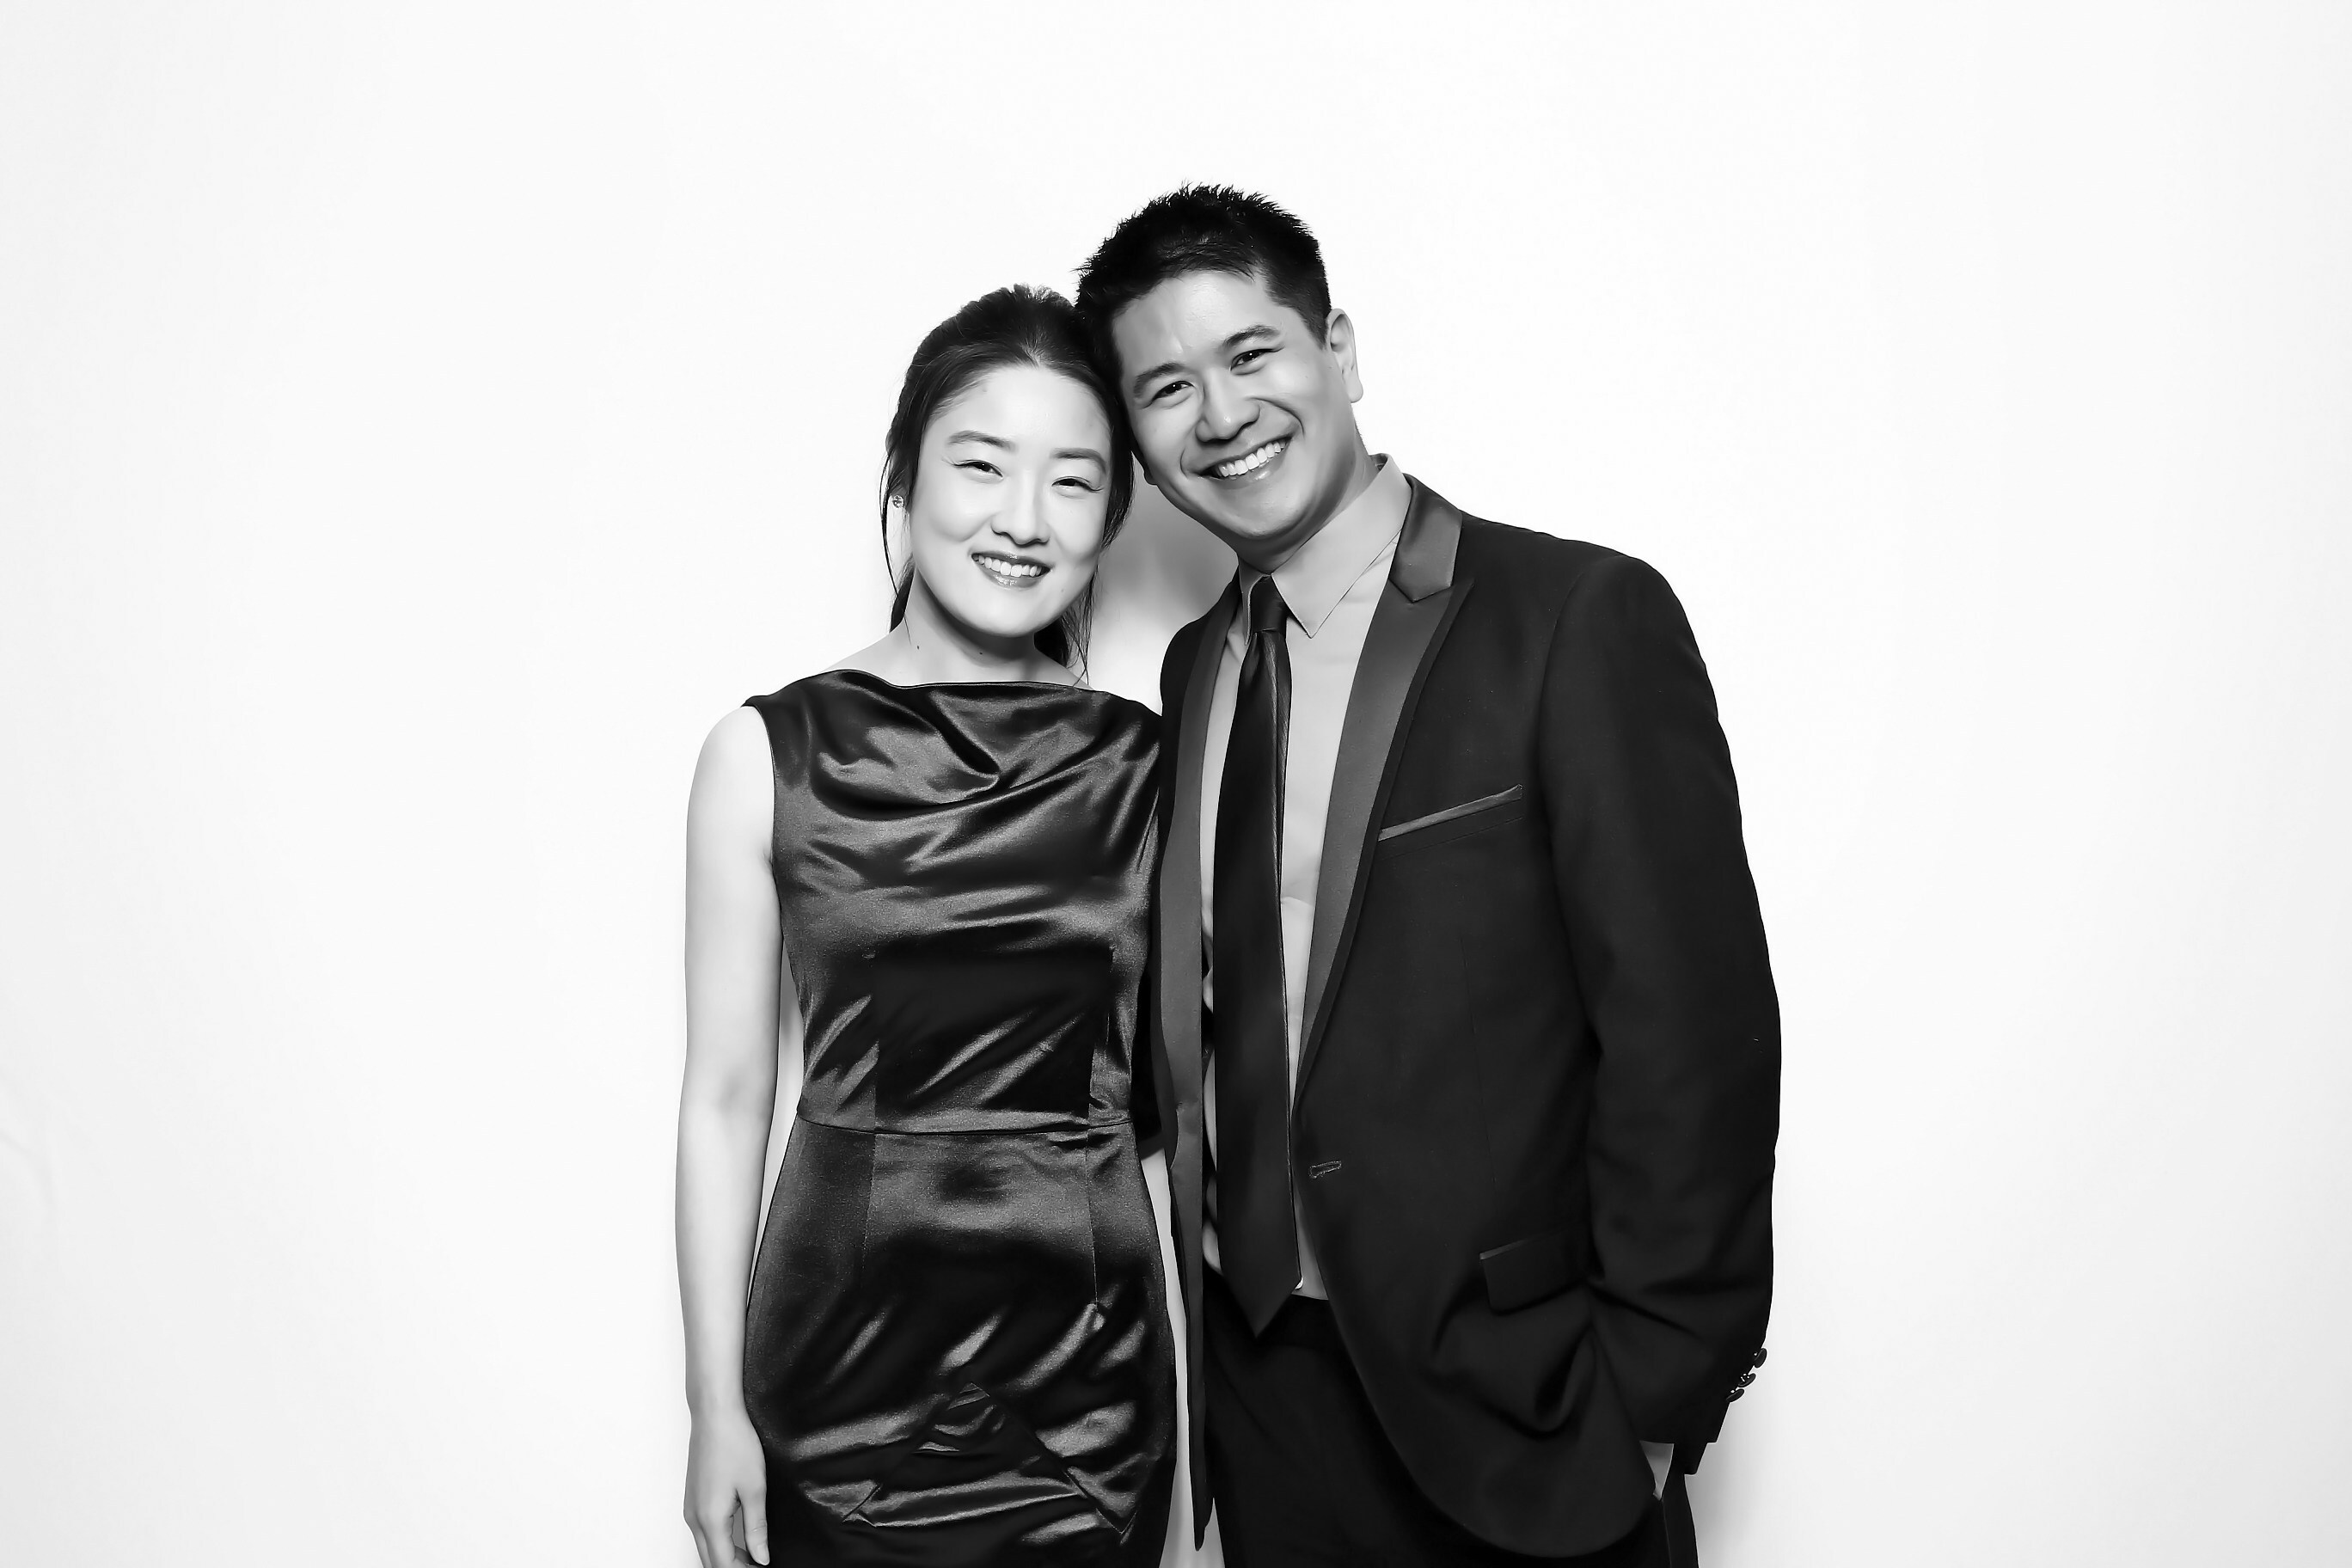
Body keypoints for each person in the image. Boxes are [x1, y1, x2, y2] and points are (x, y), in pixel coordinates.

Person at [1075, 188, 1780, 1567]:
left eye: (1252, 354)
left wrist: (1650, 1405)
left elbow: (1692, 1034)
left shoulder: (1572, 618)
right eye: (1166, 389)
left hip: (1523, 1404)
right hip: (1265, 1401)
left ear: (1339, 352)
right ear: (1143, 453)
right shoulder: (1196, 670)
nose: (1220, 414)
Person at [675, 285, 1175, 1568]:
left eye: (1073, 480)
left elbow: (1188, 1116)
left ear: (1113, 514)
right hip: (838, 1375)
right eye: (982, 465)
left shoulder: (1151, 767)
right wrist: (712, 1406)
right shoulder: (766, 754)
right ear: (903, 480)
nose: (1024, 518)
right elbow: (725, 1099)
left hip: (1091, 1386)